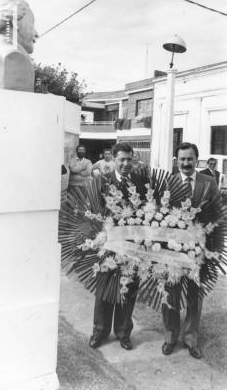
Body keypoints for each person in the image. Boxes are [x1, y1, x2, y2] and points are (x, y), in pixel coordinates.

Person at [162, 142, 221, 359]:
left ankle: (190, 338)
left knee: (195, 297)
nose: (186, 163)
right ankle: (170, 337)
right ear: (176, 160)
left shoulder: (209, 182)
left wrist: (212, 248)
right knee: (171, 294)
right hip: (173, 251)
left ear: (197, 160)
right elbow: (159, 214)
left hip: (199, 251)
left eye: (190, 159)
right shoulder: (169, 182)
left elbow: (217, 214)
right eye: (182, 159)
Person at [89, 142, 140, 351]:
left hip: (133, 248)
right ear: (114, 160)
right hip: (108, 247)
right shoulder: (102, 182)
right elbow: (94, 212)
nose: (126, 164)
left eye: (129, 159)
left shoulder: (141, 183)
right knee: (103, 291)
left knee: (128, 290)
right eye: (122, 159)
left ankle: (123, 332)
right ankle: (99, 332)